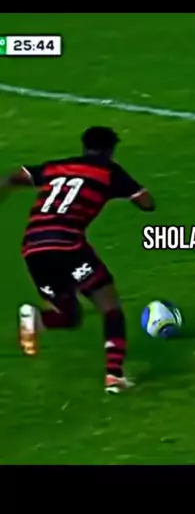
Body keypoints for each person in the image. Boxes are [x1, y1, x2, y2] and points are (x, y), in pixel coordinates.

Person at [0, 126, 155, 393]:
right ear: (110, 150)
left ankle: (37, 319)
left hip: (33, 246)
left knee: (71, 315)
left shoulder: (56, 167)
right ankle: (114, 376)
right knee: (109, 306)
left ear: (84, 146)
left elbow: (13, 177)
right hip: (67, 244)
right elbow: (147, 203)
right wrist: (126, 190)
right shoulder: (110, 173)